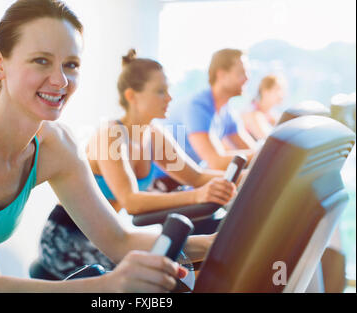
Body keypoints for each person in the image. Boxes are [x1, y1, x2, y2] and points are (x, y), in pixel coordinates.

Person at [0, 0, 214, 293]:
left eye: (71, 65)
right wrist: (106, 285)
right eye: (41, 61)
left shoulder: (57, 146)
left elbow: (118, 240)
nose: (61, 80)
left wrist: (216, 242)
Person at [38, 50, 237, 279]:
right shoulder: (111, 134)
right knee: (158, 274)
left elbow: (198, 177)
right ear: (133, 96)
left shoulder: (154, 135)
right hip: (67, 238)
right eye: (160, 91)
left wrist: (246, 178)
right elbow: (130, 201)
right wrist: (198, 196)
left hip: (106, 235)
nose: (169, 98)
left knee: (192, 267)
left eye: (168, 90)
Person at [157, 48, 256, 174]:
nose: (247, 78)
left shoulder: (227, 111)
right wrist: (263, 154)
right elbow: (216, 162)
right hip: (166, 183)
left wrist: (263, 154)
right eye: (241, 73)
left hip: (190, 179)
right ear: (221, 75)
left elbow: (248, 148)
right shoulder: (198, 106)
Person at [241, 74, 285, 141]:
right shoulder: (252, 113)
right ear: (265, 91)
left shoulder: (270, 113)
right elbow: (267, 140)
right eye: (278, 89)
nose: (282, 94)